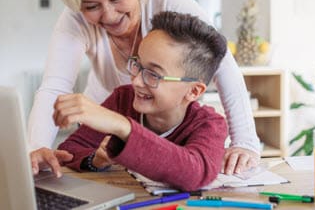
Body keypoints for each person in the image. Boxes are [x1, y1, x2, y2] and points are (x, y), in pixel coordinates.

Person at [28, 0, 260, 176]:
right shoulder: (75, 22)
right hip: (105, 115)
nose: (108, 15)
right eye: (91, 6)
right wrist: (38, 147)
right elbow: (54, 86)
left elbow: (221, 62)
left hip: (156, 120)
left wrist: (246, 142)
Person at [56, 11, 228, 191]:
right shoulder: (123, 99)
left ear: (193, 91)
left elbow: (195, 173)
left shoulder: (210, 124)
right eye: (138, 65)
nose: (136, 81)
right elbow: (69, 150)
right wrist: (95, 160)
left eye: (153, 74)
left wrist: (122, 126)